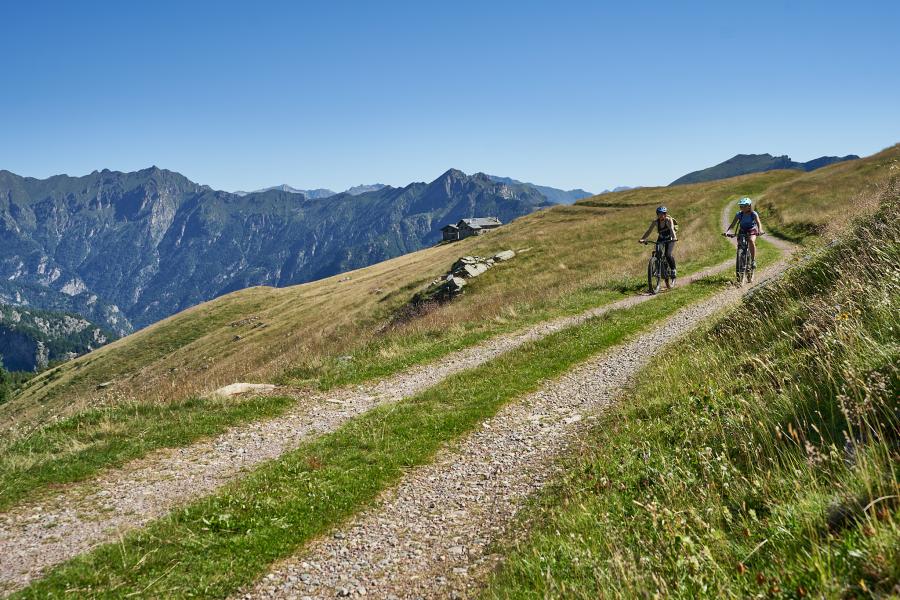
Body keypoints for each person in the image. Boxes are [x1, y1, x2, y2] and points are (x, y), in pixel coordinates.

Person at [639, 205, 677, 280]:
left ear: (665, 214)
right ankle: (658, 268)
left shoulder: (668, 220)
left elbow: (672, 229)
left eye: (662, 213)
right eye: (659, 213)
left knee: (667, 254)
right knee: (657, 252)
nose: (661, 215)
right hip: (661, 238)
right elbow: (649, 231)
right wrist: (643, 239)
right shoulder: (655, 222)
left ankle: (673, 269)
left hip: (670, 238)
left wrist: (674, 238)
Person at [724, 197, 764, 267]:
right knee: (740, 244)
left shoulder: (753, 214)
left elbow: (758, 223)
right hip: (742, 230)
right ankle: (741, 257)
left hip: (752, 230)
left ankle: (753, 260)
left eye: (743, 206)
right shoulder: (739, 214)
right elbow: (733, 224)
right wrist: (727, 231)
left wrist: (760, 230)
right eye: (741, 206)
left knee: (751, 240)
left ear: (749, 206)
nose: (741, 207)